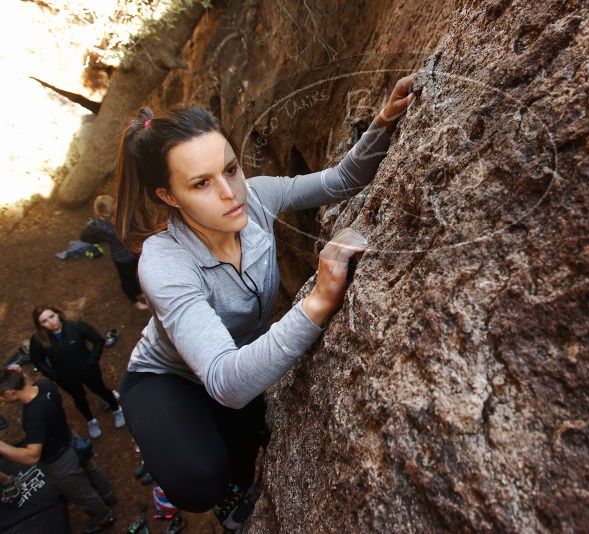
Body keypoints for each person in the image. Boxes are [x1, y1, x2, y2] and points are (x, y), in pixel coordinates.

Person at [115, 74, 415, 528]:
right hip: (169, 376)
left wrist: (385, 121)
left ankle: (231, 486)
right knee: (199, 480)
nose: (230, 193)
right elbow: (226, 382)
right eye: (201, 184)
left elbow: (341, 180)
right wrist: (317, 300)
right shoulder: (164, 262)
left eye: (231, 169)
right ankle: (171, 460)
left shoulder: (256, 198)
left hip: (230, 360)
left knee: (248, 444)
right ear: (167, 195)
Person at [0, 368, 116, 533]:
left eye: (2, 396)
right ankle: (109, 496)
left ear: (11, 393)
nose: (2, 400)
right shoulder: (44, 385)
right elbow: (29, 383)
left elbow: (32, 456)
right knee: (91, 470)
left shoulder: (33, 416)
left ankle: (104, 517)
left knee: (81, 493)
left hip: (60, 460)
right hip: (70, 438)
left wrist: (2, 446)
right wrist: (21, 374)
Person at [28, 306, 125, 438]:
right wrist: (54, 375)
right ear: (40, 325)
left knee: (101, 390)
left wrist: (92, 361)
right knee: (79, 398)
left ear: (58, 314)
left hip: (89, 370)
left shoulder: (76, 326)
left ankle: (116, 409)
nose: (51, 322)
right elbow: (37, 360)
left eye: (51, 316)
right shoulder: (38, 339)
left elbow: (98, 340)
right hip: (65, 377)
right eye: (44, 321)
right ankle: (91, 420)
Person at [81, 195, 148, 310]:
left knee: (132, 274)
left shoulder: (111, 220)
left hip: (130, 253)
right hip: (122, 258)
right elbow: (125, 236)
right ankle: (134, 300)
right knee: (126, 279)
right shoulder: (104, 226)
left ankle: (137, 292)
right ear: (107, 213)